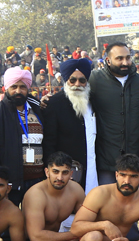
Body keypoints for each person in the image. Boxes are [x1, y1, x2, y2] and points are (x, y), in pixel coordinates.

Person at [0, 67, 46, 205]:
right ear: (6, 88)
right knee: (9, 217)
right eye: (14, 87)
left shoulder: (38, 110)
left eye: (22, 87)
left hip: (37, 180)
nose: (18, 91)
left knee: (35, 217)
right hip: (10, 182)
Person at [90, 43, 139, 187]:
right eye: (119, 58)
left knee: (133, 199)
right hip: (106, 157)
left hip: (133, 157)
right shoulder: (95, 79)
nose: (125, 62)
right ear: (108, 60)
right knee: (106, 199)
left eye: (128, 58)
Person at [41, 58, 99, 189]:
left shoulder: (94, 101)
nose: (77, 84)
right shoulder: (54, 104)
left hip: (92, 167)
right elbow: (49, 142)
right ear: (66, 80)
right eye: (72, 80)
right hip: (65, 171)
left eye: (82, 80)